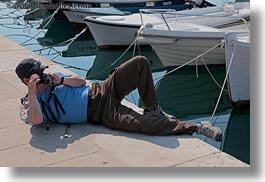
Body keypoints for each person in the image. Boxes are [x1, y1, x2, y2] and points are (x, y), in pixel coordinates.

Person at [15, 56, 222, 141]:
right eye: (36, 75)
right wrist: (33, 92)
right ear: (26, 80)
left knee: (139, 63)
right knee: (146, 125)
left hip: (101, 89)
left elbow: (81, 82)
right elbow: (36, 121)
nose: (41, 76)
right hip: (100, 113)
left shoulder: (54, 79)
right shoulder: (31, 104)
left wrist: (60, 80)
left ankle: (152, 108)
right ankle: (196, 127)